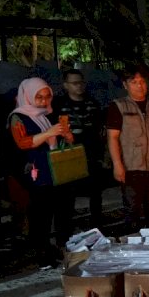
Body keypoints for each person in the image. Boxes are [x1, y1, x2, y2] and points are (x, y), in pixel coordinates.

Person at [7, 77, 75, 268]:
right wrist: (48, 133)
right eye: (39, 98)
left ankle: (62, 249)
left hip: (56, 171)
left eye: (47, 97)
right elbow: (23, 143)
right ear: (27, 96)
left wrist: (66, 135)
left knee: (61, 212)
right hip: (37, 173)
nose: (44, 102)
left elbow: (59, 142)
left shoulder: (47, 115)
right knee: (40, 217)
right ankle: (43, 255)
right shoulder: (18, 117)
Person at [106, 64, 149, 232]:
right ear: (125, 85)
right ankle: (134, 249)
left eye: (142, 81)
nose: (139, 85)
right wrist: (117, 165)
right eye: (134, 82)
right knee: (133, 213)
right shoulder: (119, 107)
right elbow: (113, 137)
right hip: (131, 167)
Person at [50, 69, 106, 228]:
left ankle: (97, 229)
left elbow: (99, 130)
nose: (79, 86)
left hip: (91, 154)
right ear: (66, 85)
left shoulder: (92, 103)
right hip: (69, 155)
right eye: (74, 83)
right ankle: (64, 233)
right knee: (67, 196)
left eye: (81, 82)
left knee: (95, 195)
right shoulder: (58, 105)